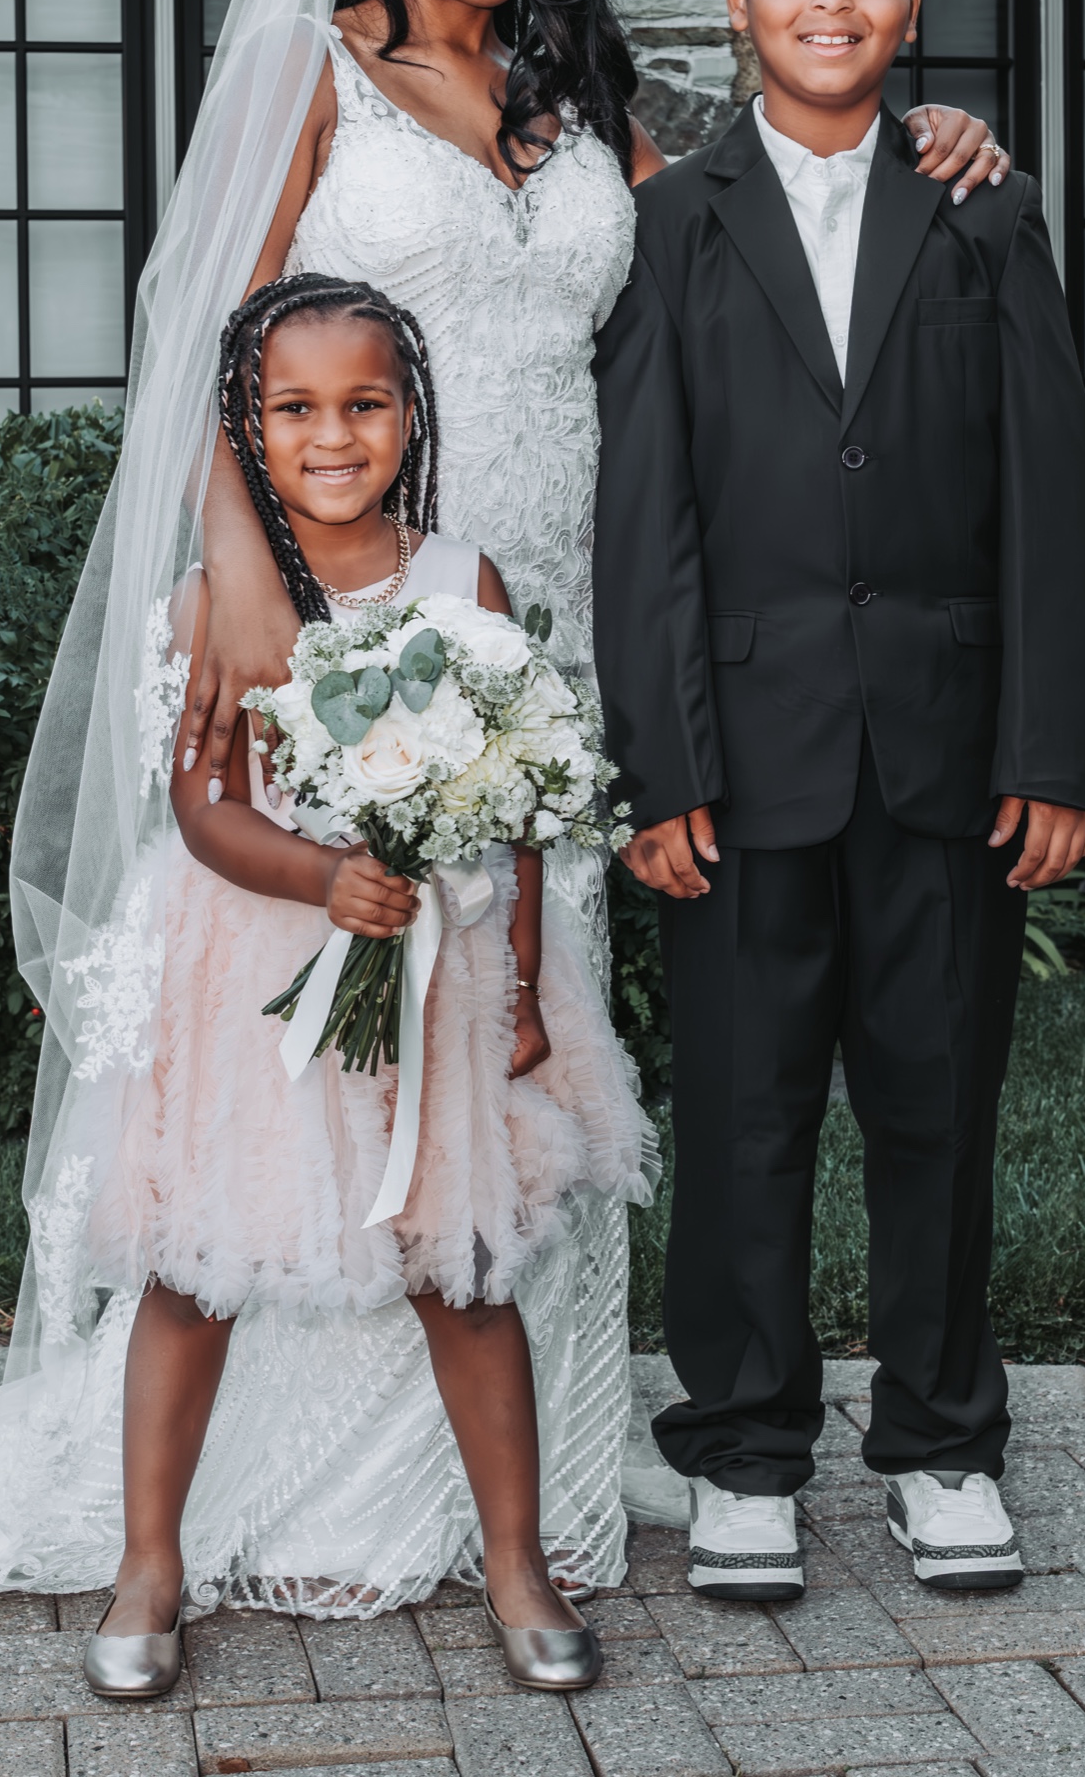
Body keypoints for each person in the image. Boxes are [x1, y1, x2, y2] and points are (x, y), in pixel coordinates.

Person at [0, 0, 1006, 1618]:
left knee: (502, 1023)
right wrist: (235, 581)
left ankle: (510, 1478)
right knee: (305, 1036)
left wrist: (922, 141)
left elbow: (760, 223)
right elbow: (200, 333)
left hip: (543, 645)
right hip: (326, 617)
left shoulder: (573, 97)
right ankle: (293, 1492)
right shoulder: (312, 70)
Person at [591, 0, 1085, 1605]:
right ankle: (743, 1452)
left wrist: (1049, 751)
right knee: (741, 1117)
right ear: (737, 0)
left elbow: (1043, 494)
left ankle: (944, 1443)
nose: (832, 3)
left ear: (911, 7)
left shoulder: (981, 209)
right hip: (740, 757)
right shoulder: (669, 223)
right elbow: (646, 517)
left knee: (934, 1108)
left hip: (946, 751)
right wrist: (661, 769)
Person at [83, 272, 651, 1699]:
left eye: (364, 404)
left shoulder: (463, 585)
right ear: (246, 427)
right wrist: (320, 876)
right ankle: (147, 1561)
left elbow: (522, 795)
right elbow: (204, 811)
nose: (332, 437)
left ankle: (515, 1560)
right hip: (254, 972)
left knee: (462, 1267)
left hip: (445, 976)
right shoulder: (215, 603)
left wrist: (524, 977)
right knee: (195, 1269)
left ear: (411, 413)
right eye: (293, 409)